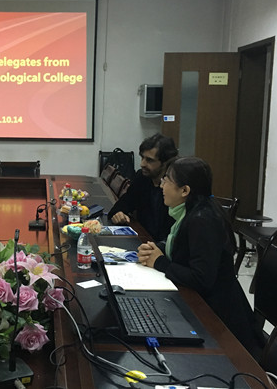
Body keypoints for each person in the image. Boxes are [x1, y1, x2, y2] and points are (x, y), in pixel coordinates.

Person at [137, 157, 263, 357]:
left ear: (184, 190)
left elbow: (201, 278)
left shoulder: (202, 220)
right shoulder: (190, 212)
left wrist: (159, 261)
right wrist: (155, 249)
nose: (161, 185)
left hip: (218, 319)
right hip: (203, 303)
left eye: (166, 180)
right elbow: (181, 246)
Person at [107, 133, 178, 241]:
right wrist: (118, 213)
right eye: (142, 158)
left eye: (149, 160)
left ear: (165, 163)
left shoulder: (175, 188)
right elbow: (123, 204)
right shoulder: (142, 178)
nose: (142, 164)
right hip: (144, 241)